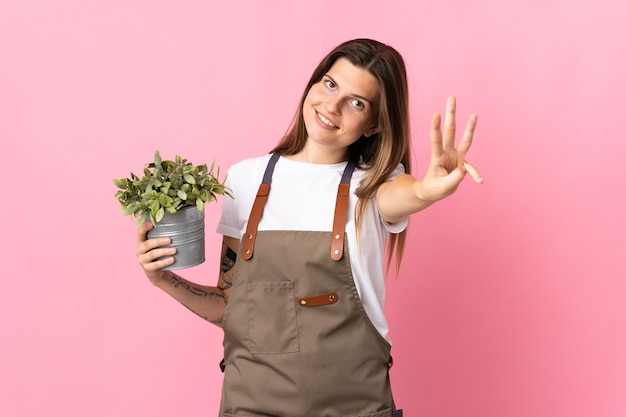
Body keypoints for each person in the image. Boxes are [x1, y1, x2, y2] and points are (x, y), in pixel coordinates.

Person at [135, 38, 482, 417]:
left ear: (375, 124)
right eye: (330, 84)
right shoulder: (246, 180)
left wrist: (429, 190)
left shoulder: (374, 186)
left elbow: (406, 195)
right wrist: (163, 280)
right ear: (315, 83)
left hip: (355, 408)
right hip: (250, 406)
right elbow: (229, 306)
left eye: (356, 102)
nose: (331, 106)